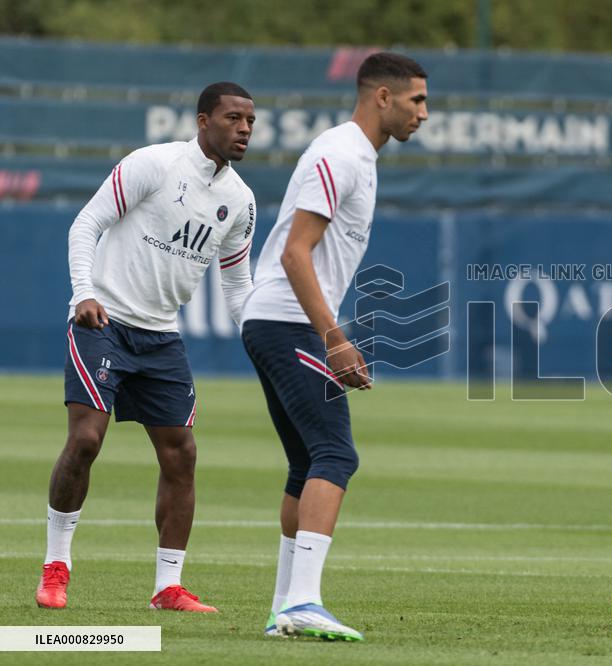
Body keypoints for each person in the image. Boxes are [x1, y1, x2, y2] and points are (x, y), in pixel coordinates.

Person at [36, 82, 257, 613]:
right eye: (233, 118)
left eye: (251, 120)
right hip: (103, 320)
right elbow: (86, 223)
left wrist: (266, 340)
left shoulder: (240, 200)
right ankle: (56, 567)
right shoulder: (153, 165)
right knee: (87, 440)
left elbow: (237, 288)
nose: (245, 128)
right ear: (203, 121)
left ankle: (167, 588)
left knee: (182, 455)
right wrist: (84, 292)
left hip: (162, 336)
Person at [240, 52, 428, 642]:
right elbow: (297, 252)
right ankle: (302, 601)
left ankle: (282, 610)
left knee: (306, 462)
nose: (424, 112)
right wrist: (335, 339)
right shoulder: (340, 152)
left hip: (282, 321)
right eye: (417, 100)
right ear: (382, 97)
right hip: (285, 321)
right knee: (336, 455)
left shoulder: (361, 158)